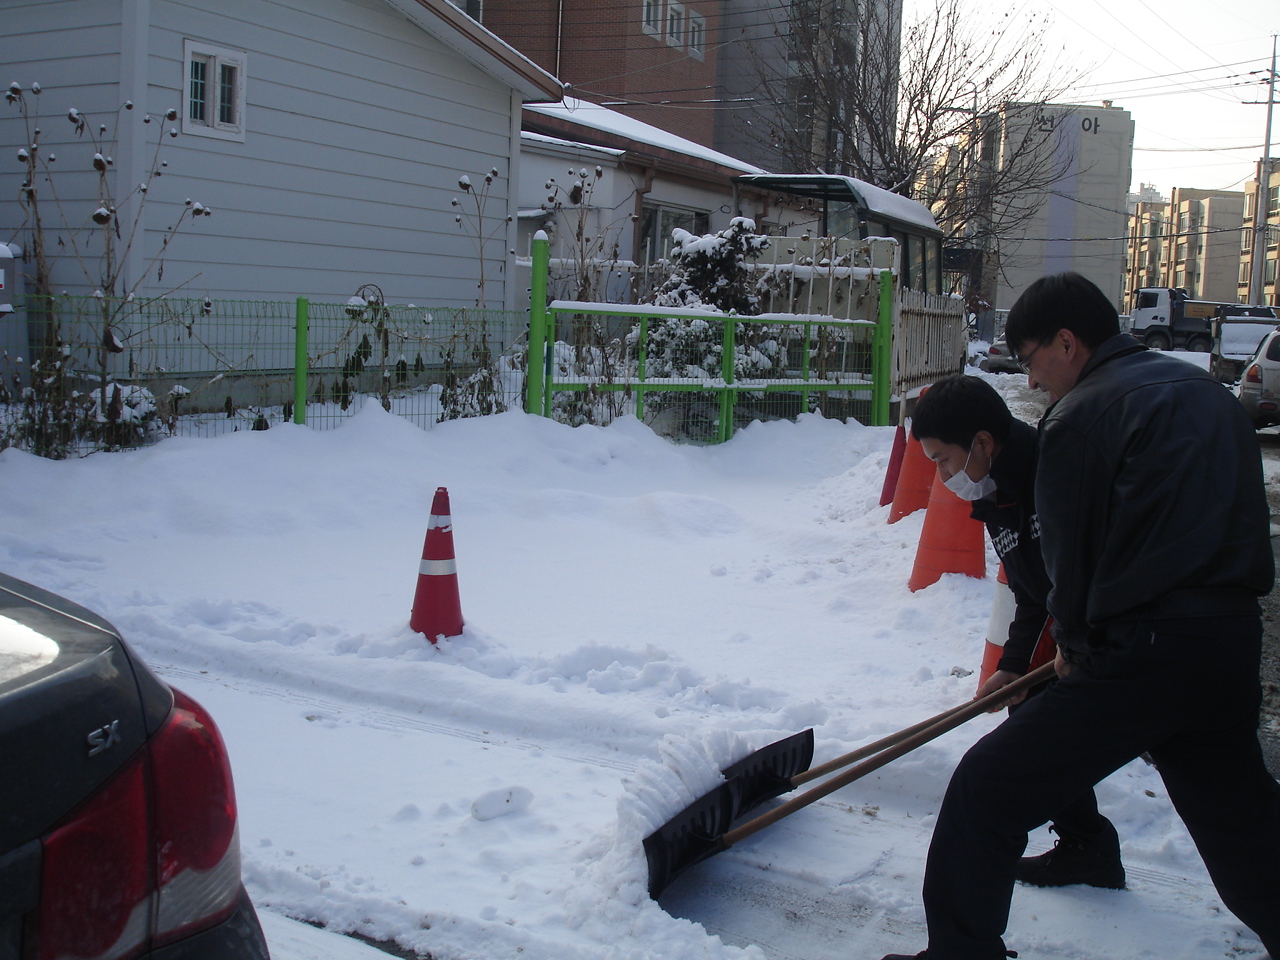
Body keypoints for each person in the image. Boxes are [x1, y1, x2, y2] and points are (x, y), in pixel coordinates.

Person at [882, 273, 1280, 960]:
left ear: (1066, 343)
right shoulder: (1210, 396)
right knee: (1243, 829)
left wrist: (1075, 643)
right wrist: (1029, 660)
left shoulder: (1080, 417)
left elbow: (1071, 559)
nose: (1033, 381)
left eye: (1032, 360)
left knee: (986, 790)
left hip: (1143, 651)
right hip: (1228, 639)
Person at [910, 374, 1124, 891]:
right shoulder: (996, 489)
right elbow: (1033, 591)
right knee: (1031, 717)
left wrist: (1077, 645)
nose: (942, 475)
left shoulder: (1053, 474)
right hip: (1083, 635)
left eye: (943, 459)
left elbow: (1098, 568)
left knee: (1005, 767)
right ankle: (1088, 847)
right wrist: (1014, 665)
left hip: (1131, 637)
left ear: (982, 443)